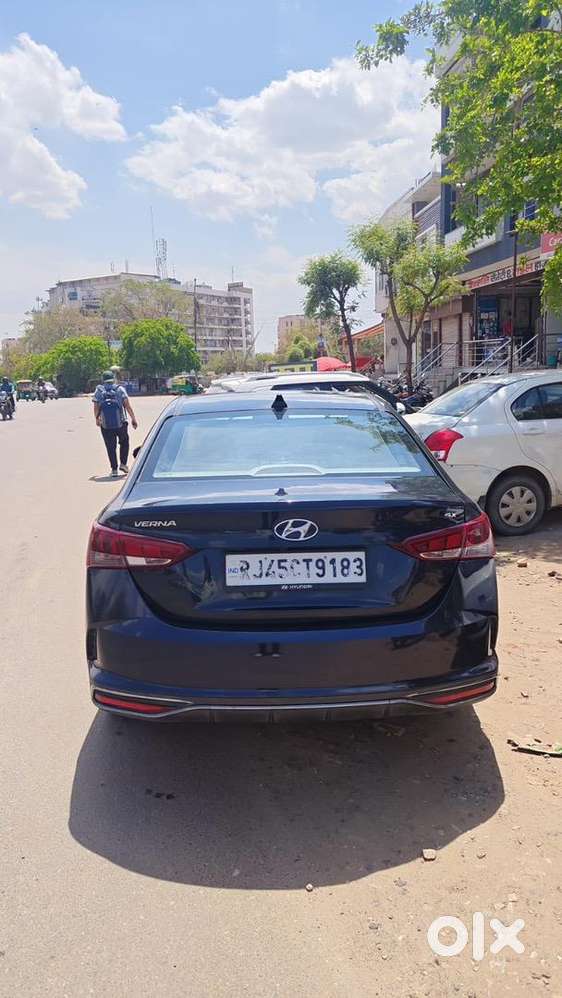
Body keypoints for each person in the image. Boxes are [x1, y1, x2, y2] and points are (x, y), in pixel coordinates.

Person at [92, 371, 138, 478]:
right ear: (113, 378)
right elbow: (127, 405)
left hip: (106, 425)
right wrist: (133, 419)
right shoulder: (120, 389)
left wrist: (97, 419)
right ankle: (123, 464)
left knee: (110, 446)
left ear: (103, 380)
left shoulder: (99, 391)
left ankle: (114, 469)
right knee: (124, 442)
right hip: (121, 422)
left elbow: (96, 407)